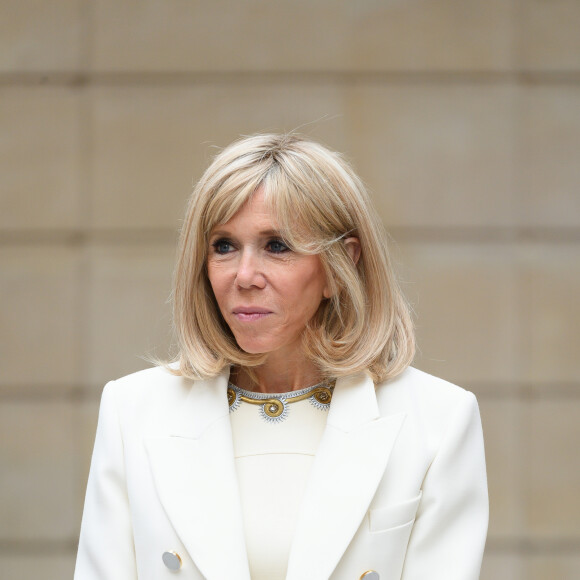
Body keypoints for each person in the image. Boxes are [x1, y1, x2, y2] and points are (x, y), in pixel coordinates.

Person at [75, 134, 488, 580]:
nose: (244, 275)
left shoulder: (438, 421)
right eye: (224, 246)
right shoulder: (132, 411)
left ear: (339, 267)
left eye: (277, 246)